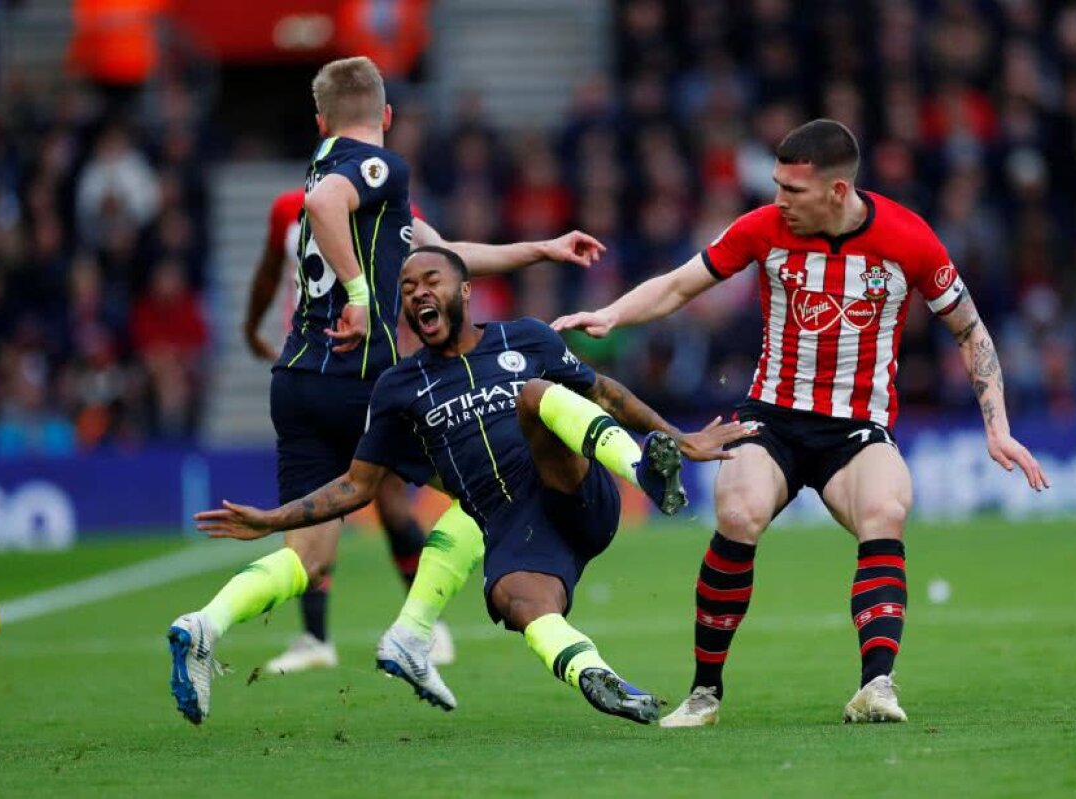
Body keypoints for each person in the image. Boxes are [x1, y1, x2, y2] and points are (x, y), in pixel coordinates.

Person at [553, 119, 1051, 727]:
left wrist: (995, 425)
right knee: (737, 510)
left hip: (856, 429)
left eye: (793, 189)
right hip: (774, 419)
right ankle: (705, 693)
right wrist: (611, 315)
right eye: (777, 186)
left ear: (837, 192)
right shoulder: (764, 229)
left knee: (886, 508)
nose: (779, 201)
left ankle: (876, 686)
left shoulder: (909, 238)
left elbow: (970, 329)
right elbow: (683, 283)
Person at [167, 56, 603, 723]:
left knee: (307, 556)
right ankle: (413, 630)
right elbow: (326, 204)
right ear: (387, 117)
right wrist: (363, 295)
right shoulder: (378, 169)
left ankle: (205, 623)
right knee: (497, 485)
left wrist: (541, 248)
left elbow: (446, 253)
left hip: (297, 381)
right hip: (364, 379)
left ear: (320, 120)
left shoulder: (350, 190)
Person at [192, 246, 755, 723]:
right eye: (407, 287)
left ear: (465, 291)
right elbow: (356, 486)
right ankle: (599, 677)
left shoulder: (526, 338)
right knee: (518, 602)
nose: (416, 293)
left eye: (431, 281)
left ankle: (645, 473)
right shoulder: (397, 387)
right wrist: (274, 519)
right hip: (512, 525)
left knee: (535, 395)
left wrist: (676, 440)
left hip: (572, 489)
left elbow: (602, 392)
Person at [241, 188, 606, 677]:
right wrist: (251, 324)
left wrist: (540, 250)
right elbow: (270, 272)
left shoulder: (390, 205)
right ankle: (328, 634)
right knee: (359, 500)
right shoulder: (292, 206)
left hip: (377, 376)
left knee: (413, 498)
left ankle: (417, 626)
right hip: (328, 378)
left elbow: (452, 259)